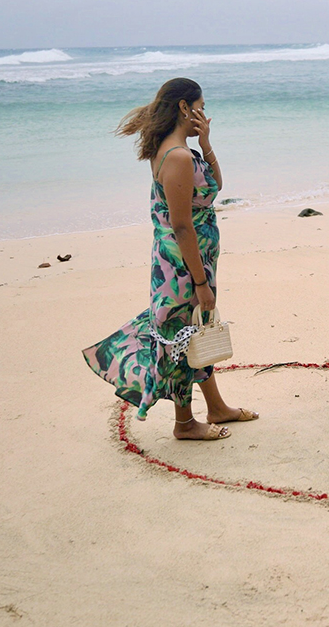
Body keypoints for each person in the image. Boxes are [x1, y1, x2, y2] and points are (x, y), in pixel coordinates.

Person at [83, 77, 257, 440]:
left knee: (196, 329)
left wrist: (206, 142)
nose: (204, 114)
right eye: (201, 107)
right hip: (181, 265)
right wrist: (200, 281)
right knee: (182, 336)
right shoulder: (176, 156)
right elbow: (181, 227)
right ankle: (184, 423)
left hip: (187, 260)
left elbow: (215, 185)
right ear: (184, 107)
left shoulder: (177, 150)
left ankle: (217, 407)